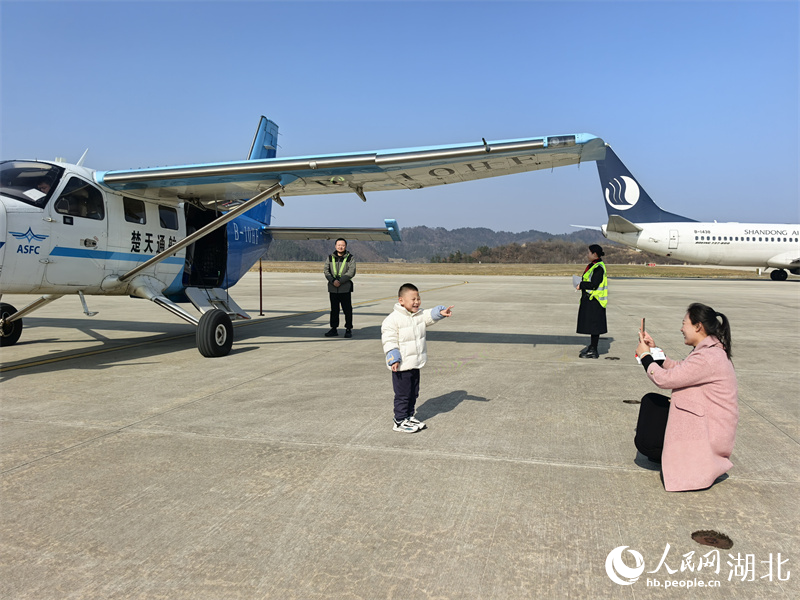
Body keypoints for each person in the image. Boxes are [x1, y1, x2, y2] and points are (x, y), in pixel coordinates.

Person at [634, 303, 739, 492]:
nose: (682, 328)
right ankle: (669, 454)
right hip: (709, 426)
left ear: (698, 326)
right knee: (654, 404)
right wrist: (655, 351)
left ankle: (684, 459)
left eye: (685, 323)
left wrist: (645, 357)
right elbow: (681, 369)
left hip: (709, 434)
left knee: (652, 409)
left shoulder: (708, 356)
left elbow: (665, 379)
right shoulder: (710, 350)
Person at [381, 283, 454, 433]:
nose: (416, 302)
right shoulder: (392, 319)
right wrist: (393, 356)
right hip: (401, 366)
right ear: (401, 300)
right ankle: (399, 420)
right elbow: (389, 339)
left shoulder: (418, 316)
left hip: (415, 363)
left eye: (418, 298)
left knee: (414, 392)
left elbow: (428, 315)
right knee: (403, 395)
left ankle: (408, 416)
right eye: (413, 299)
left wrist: (440, 312)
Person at [576, 244, 607, 358]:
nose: (587, 255)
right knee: (591, 325)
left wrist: (581, 285)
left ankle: (594, 350)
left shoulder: (599, 267)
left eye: (588, 253)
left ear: (594, 254)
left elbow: (594, 284)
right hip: (590, 300)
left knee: (594, 326)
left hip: (596, 301)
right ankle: (592, 346)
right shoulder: (592, 266)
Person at [323, 238, 356, 337]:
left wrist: (340, 281)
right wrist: (332, 281)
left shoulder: (350, 258)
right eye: (338, 245)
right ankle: (334, 329)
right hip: (333, 288)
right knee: (334, 310)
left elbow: (351, 271)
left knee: (347, 310)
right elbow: (326, 270)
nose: (340, 247)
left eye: (342, 245)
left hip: (345, 288)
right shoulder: (330, 258)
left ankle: (348, 329)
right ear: (335, 246)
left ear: (345, 246)